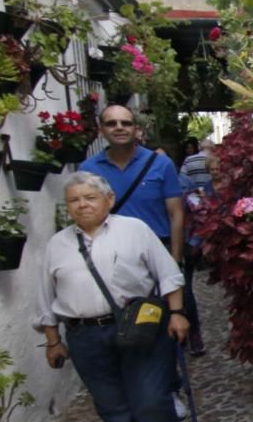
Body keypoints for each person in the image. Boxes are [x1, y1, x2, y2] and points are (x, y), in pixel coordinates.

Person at [34, 172, 190, 422]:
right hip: (84, 335)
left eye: (89, 198)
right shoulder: (58, 245)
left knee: (149, 396)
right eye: (74, 200)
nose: (82, 205)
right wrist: (53, 341)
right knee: (110, 402)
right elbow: (44, 297)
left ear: (109, 200)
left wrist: (176, 313)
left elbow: (168, 274)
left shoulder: (134, 230)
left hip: (139, 326)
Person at [82, 108, 205, 359]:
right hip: (111, 252)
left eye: (125, 123)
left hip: (158, 248)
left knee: (175, 303)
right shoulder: (89, 168)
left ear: (136, 129)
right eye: (111, 123)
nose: (119, 127)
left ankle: (185, 343)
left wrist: (175, 257)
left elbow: (176, 213)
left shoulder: (160, 164)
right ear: (101, 129)